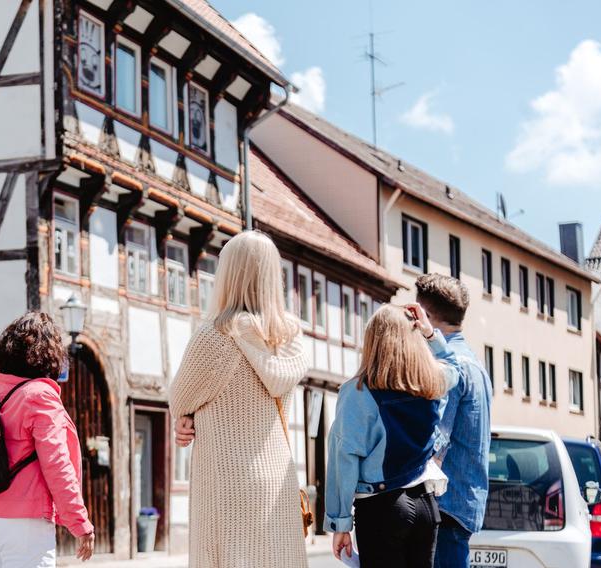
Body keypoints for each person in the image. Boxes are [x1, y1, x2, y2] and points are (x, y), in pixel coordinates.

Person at [169, 230, 312, 568]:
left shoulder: (214, 336)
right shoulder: (288, 336)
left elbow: (179, 399)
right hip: (276, 474)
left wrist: (185, 420)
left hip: (224, 480)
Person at [0, 311, 95, 567]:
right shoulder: (39, 396)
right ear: (49, 354)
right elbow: (57, 465)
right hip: (22, 522)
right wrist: (79, 523)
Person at [326, 303, 460, 568]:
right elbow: (455, 369)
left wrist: (340, 522)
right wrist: (431, 334)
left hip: (382, 509)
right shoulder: (430, 385)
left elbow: (344, 458)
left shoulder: (357, 392)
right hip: (425, 505)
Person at [415, 274, 492, 568]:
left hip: (444, 506)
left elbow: (438, 438)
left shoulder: (451, 365)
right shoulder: (474, 363)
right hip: (463, 503)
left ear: (428, 316)